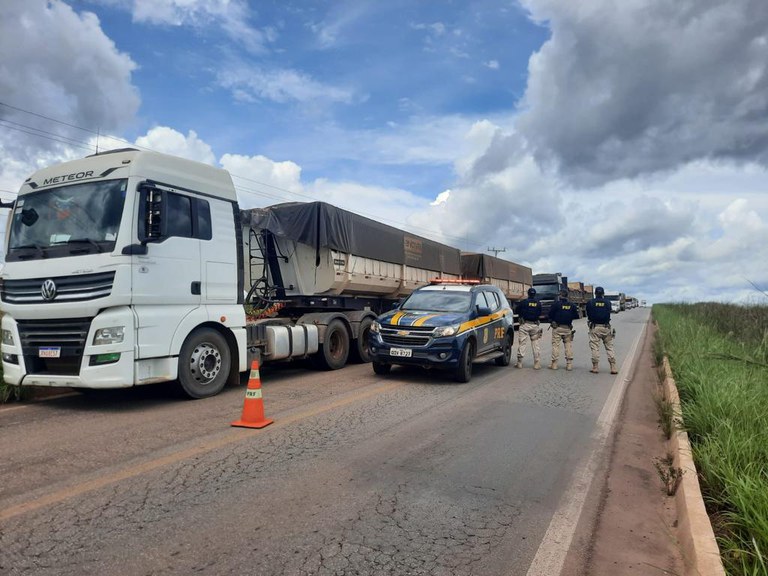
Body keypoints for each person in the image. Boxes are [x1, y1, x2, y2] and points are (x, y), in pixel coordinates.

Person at [586, 286, 618, 374]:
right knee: (609, 347)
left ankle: (595, 367)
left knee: (595, 347)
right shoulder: (608, 302)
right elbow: (609, 311)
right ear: (603, 293)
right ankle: (613, 367)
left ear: (595, 293)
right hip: (606, 328)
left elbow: (588, 313)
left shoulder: (590, 302)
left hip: (595, 327)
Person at [548, 289, 580, 370]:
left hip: (557, 328)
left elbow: (550, 314)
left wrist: (552, 321)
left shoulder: (556, 304)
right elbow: (576, 315)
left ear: (560, 295)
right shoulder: (572, 305)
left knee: (555, 346)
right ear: (567, 296)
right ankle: (569, 364)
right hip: (567, 328)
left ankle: (554, 364)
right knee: (568, 345)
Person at [514, 287, 543, 369]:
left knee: (522, 343)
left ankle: (519, 363)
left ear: (528, 294)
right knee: (535, 344)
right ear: (535, 294)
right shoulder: (538, 303)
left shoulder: (524, 302)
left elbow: (517, 310)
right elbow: (540, 312)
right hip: (534, 325)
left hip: (525, 324)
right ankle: (537, 363)